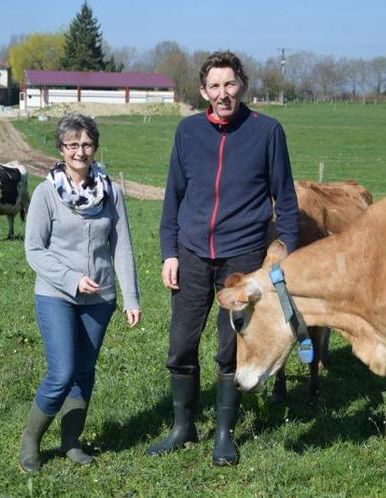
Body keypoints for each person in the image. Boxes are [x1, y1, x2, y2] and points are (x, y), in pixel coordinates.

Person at [147, 50, 300, 466]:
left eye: (229, 84)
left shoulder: (267, 132)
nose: (223, 93)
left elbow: (284, 198)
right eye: (214, 86)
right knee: (180, 345)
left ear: (242, 86)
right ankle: (182, 427)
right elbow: (173, 196)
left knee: (230, 349)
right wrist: (169, 252)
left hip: (243, 257)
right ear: (202, 91)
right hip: (193, 253)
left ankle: (223, 435)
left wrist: (285, 251)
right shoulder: (188, 132)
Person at [20, 113, 141, 473]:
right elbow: (34, 250)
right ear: (61, 149)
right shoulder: (46, 193)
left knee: (85, 372)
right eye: (72, 145)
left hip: (100, 299)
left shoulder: (111, 192)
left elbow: (122, 247)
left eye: (86, 144)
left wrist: (131, 298)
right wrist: (71, 278)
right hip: (56, 295)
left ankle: (71, 442)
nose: (80, 151)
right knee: (62, 372)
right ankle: (30, 442)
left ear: (95, 148)